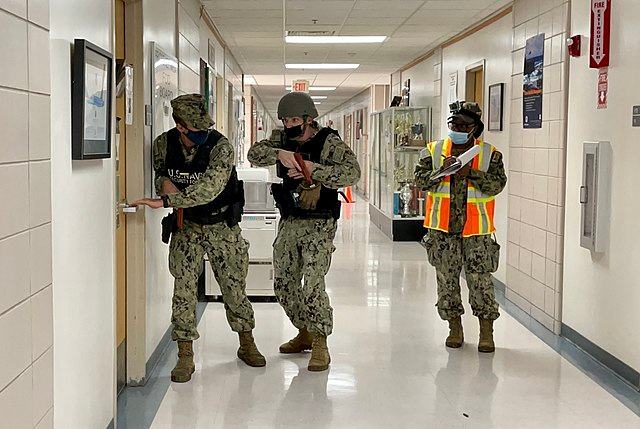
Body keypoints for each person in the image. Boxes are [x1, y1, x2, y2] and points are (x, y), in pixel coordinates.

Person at [131, 94, 265, 383]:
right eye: (196, 129)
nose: (203, 134)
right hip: (187, 227)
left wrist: (168, 200)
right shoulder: (163, 145)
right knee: (183, 291)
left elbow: (210, 189)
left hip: (221, 226)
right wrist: (164, 185)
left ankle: (246, 342)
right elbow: (159, 174)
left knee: (233, 289)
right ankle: (185, 355)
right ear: (181, 127)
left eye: (205, 128)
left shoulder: (221, 148)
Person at [247, 91, 360, 371]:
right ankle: (305, 331)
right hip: (290, 218)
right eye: (285, 120)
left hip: (319, 222)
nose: (289, 125)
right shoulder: (281, 137)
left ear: (310, 119)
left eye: (295, 119)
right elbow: (254, 154)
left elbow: (353, 173)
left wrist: (314, 170)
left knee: (312, 283)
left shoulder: (329, 142)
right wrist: (280, 154)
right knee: (283, 282)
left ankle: (320, 342)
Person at [414, 101, 507, 353]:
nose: (457, 128)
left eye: (463, 125)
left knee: (481, 282)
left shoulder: (489, 154)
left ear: (475, 129)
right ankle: (454, 328)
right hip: (443, 230)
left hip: (476, 231)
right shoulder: (434, 151)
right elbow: (419, 181)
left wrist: (471, 174)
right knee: (446, 281)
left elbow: (497, 186)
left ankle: (486, 332)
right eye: (453, 124)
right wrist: (441, 173)